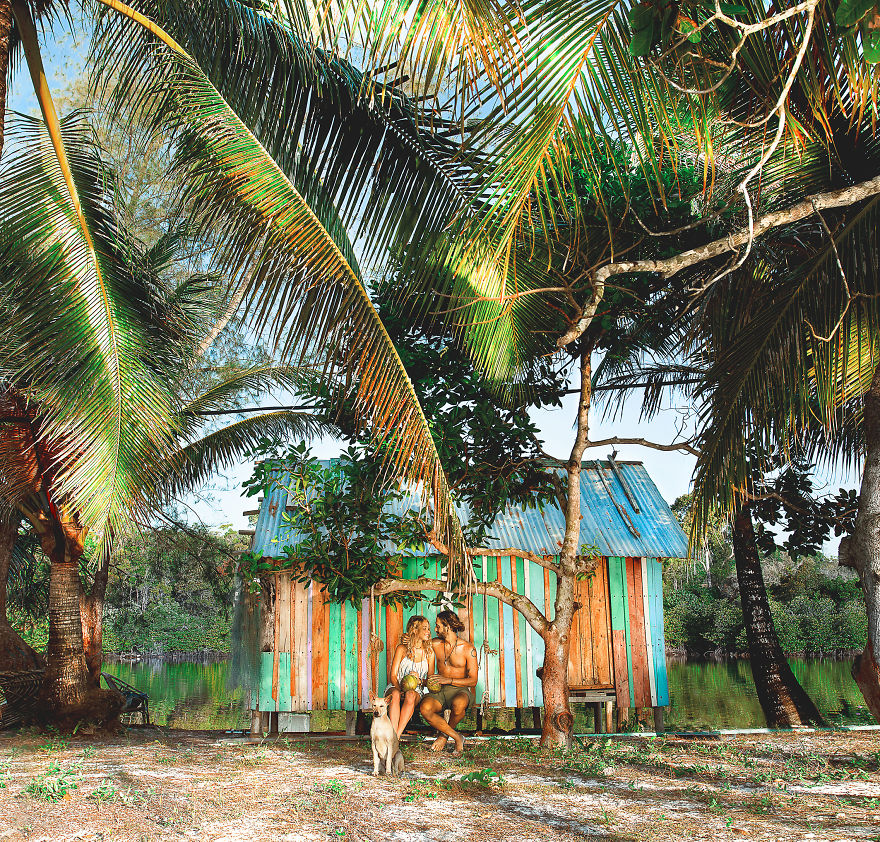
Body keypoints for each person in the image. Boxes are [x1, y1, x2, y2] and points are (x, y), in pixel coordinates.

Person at [419, 609, 478, 756]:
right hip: (439, 690)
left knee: (458, 706)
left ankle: (444, 736)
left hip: (460, 689)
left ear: (448, 626)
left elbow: (473, 680)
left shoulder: (468, 649)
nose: (435, 629)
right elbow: (416, 643)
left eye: (438, 625)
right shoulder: (434, 644)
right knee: (425, 709)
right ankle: (457, 737)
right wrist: (408, 638)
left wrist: (449, 680)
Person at [385, 615, 434, 736]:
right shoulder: (402, 649)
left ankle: (396, 736)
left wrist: (420, 680)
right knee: (395, 694)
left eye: (429, 628)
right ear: (414, 630)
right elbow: (393, 675)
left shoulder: (429, 653)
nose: (428, 632)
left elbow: (431, 681)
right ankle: (392, 732)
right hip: (396, 685)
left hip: (416, 690)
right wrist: (399, 688)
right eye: (424, 628)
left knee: (410, 694)